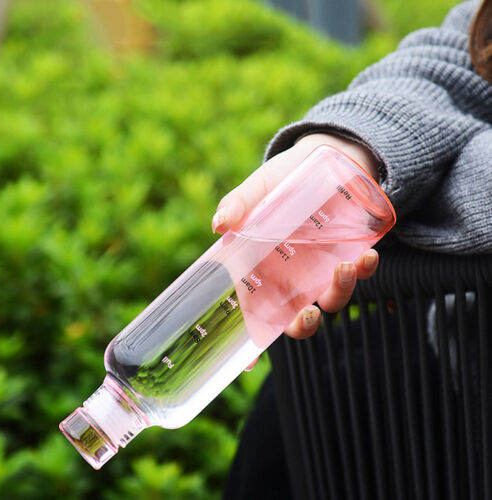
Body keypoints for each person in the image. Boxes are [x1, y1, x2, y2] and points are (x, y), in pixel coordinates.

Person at [215, 0, 492, 497]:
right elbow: (458, 59)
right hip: (457, 344)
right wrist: (348, 149)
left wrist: (389, 193)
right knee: (297, 407)